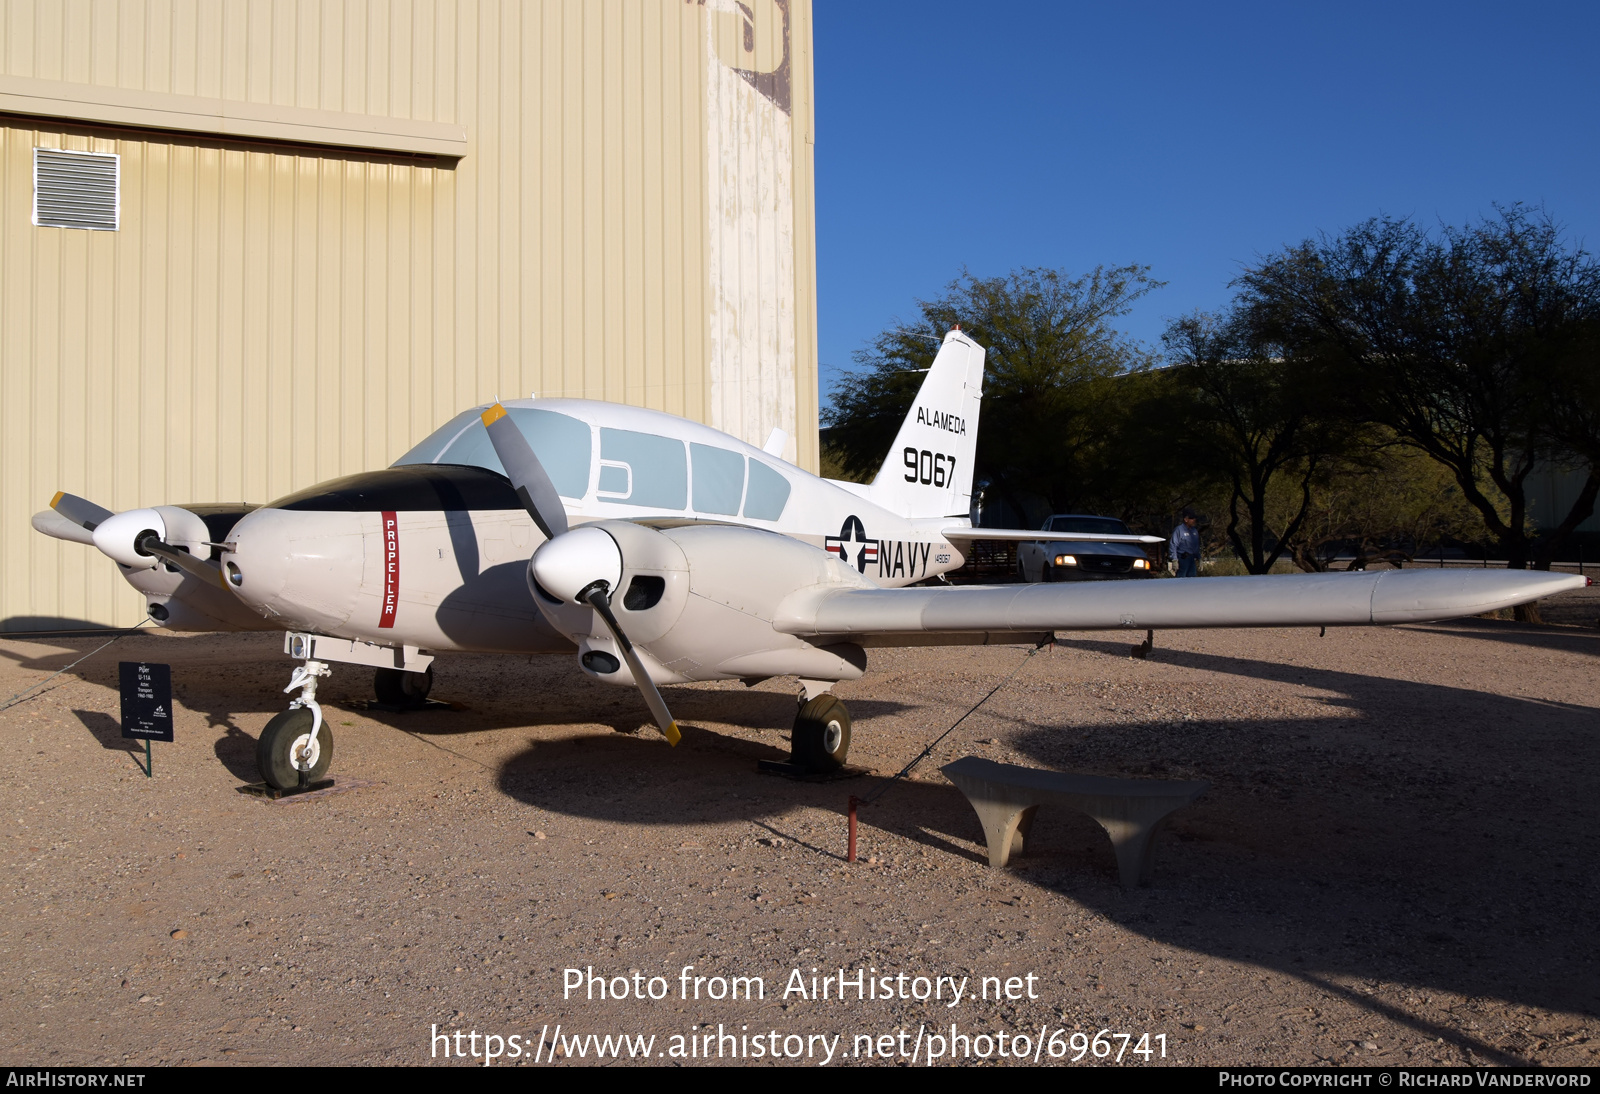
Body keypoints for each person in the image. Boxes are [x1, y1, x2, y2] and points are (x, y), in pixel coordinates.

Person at [1170, 509, 1201, 578]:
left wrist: (1199, 558)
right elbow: (1173, 544)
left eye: (1194, 518)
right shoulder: (1179, 530)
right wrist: (1174, 559)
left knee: (1192, 578)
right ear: (1186, 519)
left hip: (1192, 558)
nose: (1194, 520)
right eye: (1192, 518)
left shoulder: (1194, 531)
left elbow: (1196, 546)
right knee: (1181, 579)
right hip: (1182, 558)